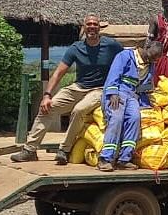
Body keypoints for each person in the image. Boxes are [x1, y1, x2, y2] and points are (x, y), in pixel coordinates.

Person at [12, 14, 122, 164]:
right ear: (84, 27)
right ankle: (30, 149)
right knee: (47, 107)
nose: (92, 27)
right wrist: (47, 95)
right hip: (79, 86)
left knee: (79, 110)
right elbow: (58, 73)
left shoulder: (111, 46)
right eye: (88, 24)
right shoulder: (76, 48)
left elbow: (126, 61)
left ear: (99, 28)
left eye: (95, 24)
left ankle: (64, 149)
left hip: (100, 89)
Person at [97, 41, 165, 171]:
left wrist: (147, 102)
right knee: (116, 119)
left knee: (134, 119)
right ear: (145, 48)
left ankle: (125, 158)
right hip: (118, 92)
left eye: (154, 59)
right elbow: (114, 74)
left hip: (133, 94)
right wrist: (112, 93)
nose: (151, 60)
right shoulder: (125, 56)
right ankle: (105, 158)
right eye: (151, 56)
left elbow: (144, 86)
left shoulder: (150, 64)